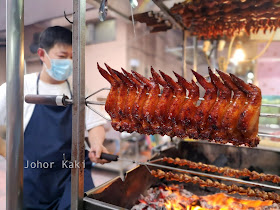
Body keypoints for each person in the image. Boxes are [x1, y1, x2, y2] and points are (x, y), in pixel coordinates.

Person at [0, 26, 109, 209]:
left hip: (71, 176)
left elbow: (94, 124)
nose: (68, 62)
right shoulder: (18, 86)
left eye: (72, 57)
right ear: (42, 54)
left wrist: (97, 143)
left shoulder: (79, 90)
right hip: (34, 179)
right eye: (62, 56)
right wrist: (9, 154)